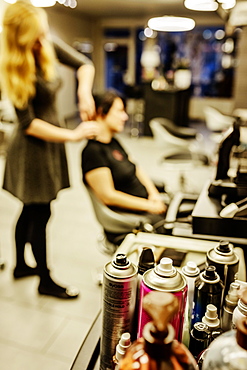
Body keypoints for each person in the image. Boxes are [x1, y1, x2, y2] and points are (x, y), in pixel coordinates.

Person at [0, 1, 99, 299]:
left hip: (50, 144)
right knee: (40, 211)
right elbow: (29, 124)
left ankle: (20, 266)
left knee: (30, 209)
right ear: (18, 36)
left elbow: (85, 64)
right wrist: (72, 135)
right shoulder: (12, 66)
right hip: (31, 150)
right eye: (34, 34)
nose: (41, 39)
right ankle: (45, 279)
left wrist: (83, 93)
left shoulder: (44, 44)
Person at [81, 90, 167, 242]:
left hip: (145, 206)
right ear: (101, 112)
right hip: (130, 216)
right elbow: (108, 196)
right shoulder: (93, 152)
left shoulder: (113, 142)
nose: (125, 117)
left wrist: (153, 194)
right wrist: (148, 205)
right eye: (120, 111)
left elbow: (135, 167)